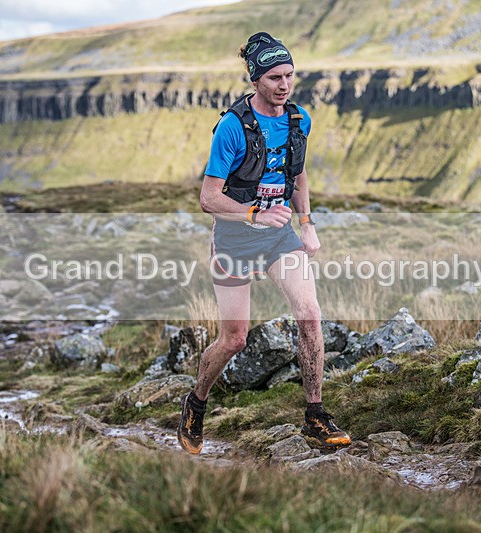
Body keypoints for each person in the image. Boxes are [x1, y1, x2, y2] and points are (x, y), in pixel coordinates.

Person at [177, 32, 351, 455]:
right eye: (275, 77)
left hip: (279, 237)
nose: (284, 85)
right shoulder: (232, 128)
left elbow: (299, 171)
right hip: (235, 236)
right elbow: (208, 198)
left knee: (310, 315)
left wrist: (307, 222)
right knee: (234, 338)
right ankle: (196, 403)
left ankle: (315, 415)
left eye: (289, 75)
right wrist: (253, 213)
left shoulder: (298, 119)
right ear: (256, 79)